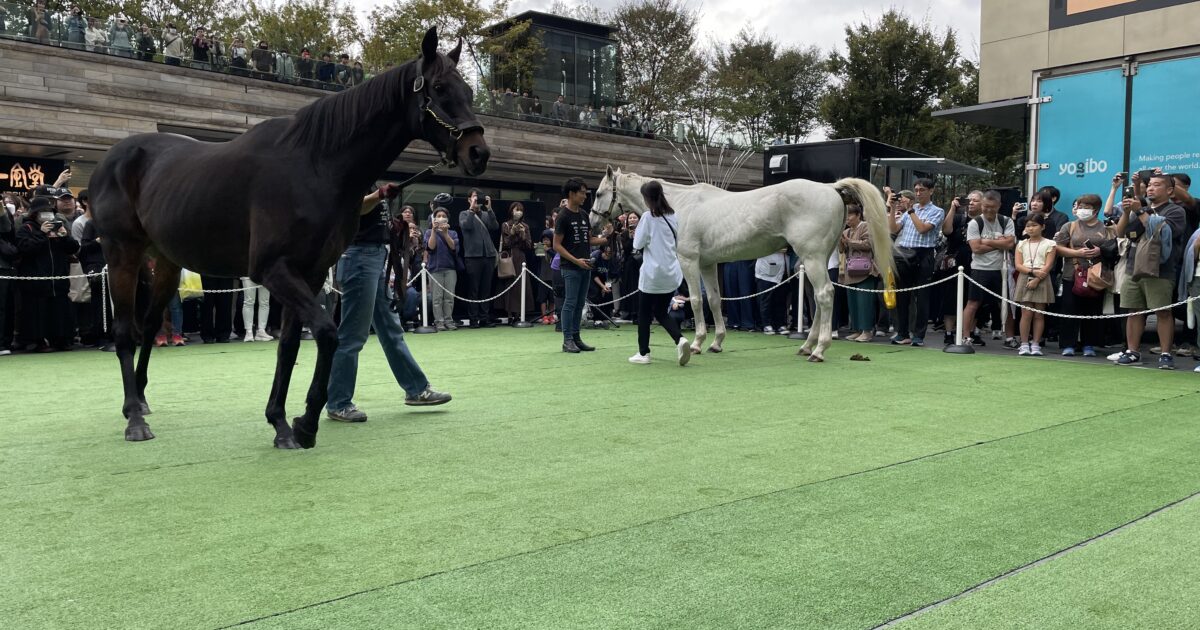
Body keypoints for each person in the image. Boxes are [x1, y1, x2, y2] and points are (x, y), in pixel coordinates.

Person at [326, 185, 451, 423]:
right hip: (360, 258)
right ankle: (338, 402)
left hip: (372, 258)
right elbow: (354, 207)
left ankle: (416, 389)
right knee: (353, 335)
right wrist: (379, 195)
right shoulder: (354, 175)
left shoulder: (368, 178)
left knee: (391, 330)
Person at [1113, 173, 1187, 369]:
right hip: (1132, 266)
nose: (1151, 188)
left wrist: (1141, 211)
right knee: (1133, 310)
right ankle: (1132, 351)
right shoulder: (1139, 208)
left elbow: (1160, 232)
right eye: (1149, 185)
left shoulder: (1175, 210)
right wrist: (1127, 212)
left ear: (1170, 191)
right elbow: (1121, 234)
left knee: (1162, 311)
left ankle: (1165, 354)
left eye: (1156, 185)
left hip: (1160, 269)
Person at [629, 180, 690, 365]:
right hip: (671, 273)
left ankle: (643, 353)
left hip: (652, 274)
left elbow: (637, 244)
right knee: (661, 312)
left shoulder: (648, 217)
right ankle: (680, 339)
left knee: (644, 314)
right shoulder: (673, 216)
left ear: (647, 198)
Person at [15, 196, 79, 352]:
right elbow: (25, 248)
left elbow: (73, 248)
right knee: (37, 313)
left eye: (49, 211)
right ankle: (37, 342)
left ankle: (61, 340)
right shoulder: (27, 228)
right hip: (36, 282)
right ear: (35, 214)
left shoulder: (59, 227)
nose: (47, 214)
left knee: (59, 311)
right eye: (43, 212)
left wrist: (64, 236)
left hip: (58, 280)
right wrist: (42, 234)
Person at [886, 180, 945, 346]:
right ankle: (902, 333)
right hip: (904, 253)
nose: (918, 193)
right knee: (902, 295)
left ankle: (919, 335)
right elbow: (894, 229)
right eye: (916, 190)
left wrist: (911, 210)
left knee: (922, 297)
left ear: (931, 191)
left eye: (922, 190)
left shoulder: (937, 211)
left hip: (923, 254)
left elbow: (922, 228)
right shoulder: (909, 212)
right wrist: (892, 209)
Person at [555, 177, 609, 353]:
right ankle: (567, 340)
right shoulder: (563, 216)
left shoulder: (584, 215)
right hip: (570, 267)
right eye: (582, 193)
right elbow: (556, 245)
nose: (585, 197)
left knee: (579, 303)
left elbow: (589, 240)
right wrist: (575, 260)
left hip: (585, 266)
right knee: (570, 303)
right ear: (572, 194)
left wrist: (607, 237)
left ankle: (576, 338)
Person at [1054, 193, 1112, 357]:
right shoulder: (1069, 226)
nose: (1081, 210)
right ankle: (1068, 344)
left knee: (1092, 310)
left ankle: (1089, 344)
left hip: (1096, 274)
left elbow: (1113, 247)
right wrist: (1076, 252)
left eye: (1086, 207)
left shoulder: (1105, 227)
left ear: (1096, 210)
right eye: (1079, 206)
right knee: (1069, 308)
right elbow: (1057, 247)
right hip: (1071, 273)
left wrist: (1100, 250)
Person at [959, 190, 1016, 347]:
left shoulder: (1006, 221)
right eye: (985, 206)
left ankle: (1010, 338)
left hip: (1002, 270)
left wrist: (987, 241)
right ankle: (965, 337)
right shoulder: (975, 223)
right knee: (973, 303)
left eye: (992, 206)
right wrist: (999, 243)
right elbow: (976, 248)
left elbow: (1010, 244)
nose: (988, 210)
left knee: (1007, 303)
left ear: (999, 206)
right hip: (980, 269)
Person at [1013, 214, 1057, 356]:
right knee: (1026, 313)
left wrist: (1037, 278)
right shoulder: (1021, 244)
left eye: (1034, 225)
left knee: (1039, 314)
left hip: (1042, 277)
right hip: (1025, 276)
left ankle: (1036, 344)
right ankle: (1024, 343)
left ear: (1042, 227)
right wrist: (1031, 272)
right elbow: (1018, 265)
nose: (1030, 228)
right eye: (1028, 226)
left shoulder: (1050, 244)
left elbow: (1048, 265)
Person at [458, 189, 499, 328]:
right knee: (473, 289)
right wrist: (471, 209)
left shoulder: (486, 214)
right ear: (469, 199)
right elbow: (466, 226)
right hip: (472, 256)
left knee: (486, 289)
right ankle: (473, 319)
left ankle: (484, 317)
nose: (477, 199)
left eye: (478, 197)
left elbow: (495, 226)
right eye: (475, 197)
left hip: (488, 256)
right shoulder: (463, 214)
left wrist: (490, 209)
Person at [840, 204, 879, 341]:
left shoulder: (866, 226)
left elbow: (868, 244)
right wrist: (841, 240)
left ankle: (867, 331)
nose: (847, 219)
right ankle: (856, 329)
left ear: (858, 215)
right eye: (845, 216)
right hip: (850, 270)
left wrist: (849, 241)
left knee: (865, 302)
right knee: (853, 302)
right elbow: (841, 250)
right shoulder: (845, 231)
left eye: (849, 215)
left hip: (865, 269)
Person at [424, 206, 459, 331]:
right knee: (437, 298)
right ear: (434, 218)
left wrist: (445, 233)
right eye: (438, 216)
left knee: (449, 297)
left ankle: (449, 320)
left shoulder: (453, 233)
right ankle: (439, 321)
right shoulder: (428, 232)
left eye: (443, 216)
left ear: (447, 219)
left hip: (450, 269)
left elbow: (453, 247)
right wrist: (434, 230)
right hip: (435, 269)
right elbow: (431, 247)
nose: (441, 218)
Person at [500, 202, 533, 323]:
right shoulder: (506, 225)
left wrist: (523, 235)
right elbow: (505, 244)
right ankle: (509, 313)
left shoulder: (525, 226)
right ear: (511, 211)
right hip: (509, 257)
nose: (518, 212)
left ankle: (520, 313)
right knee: (510, 284)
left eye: (520, 210)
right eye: (516, 209)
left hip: (521, 257)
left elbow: (528, 246)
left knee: (521, 285)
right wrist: (513, 233)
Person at [240, 276, 272, 342]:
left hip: (265, 273)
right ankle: (248, 332)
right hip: (247, 272)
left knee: (265, 302)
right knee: (249, 301)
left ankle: (261, 331)